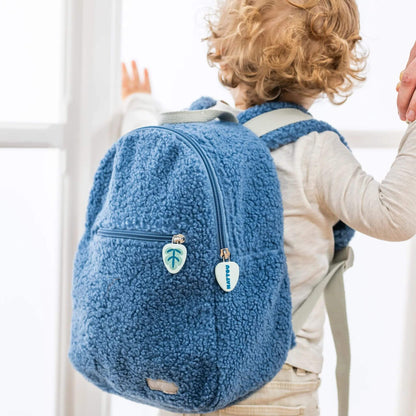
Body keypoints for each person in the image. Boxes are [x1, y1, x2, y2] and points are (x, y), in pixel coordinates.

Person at [120, 1, 416, 414]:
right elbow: (395, 216)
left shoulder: (194, 137)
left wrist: (138, 101)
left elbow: (137, 140)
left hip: (191, 373)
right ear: (332, 67)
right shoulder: (313, 150)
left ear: (224, 51)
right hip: (278, 376)